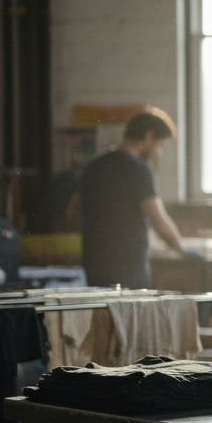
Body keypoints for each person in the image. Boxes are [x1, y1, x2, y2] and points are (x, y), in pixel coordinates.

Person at [76, 106, 190, 288]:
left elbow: (73, 212)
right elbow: (159, 220)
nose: (158, 153)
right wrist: (184, 250)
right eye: (160, 145)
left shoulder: (93, 166)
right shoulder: (138, 169)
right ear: (148, 136)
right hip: (128, 268)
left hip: (94, 265)